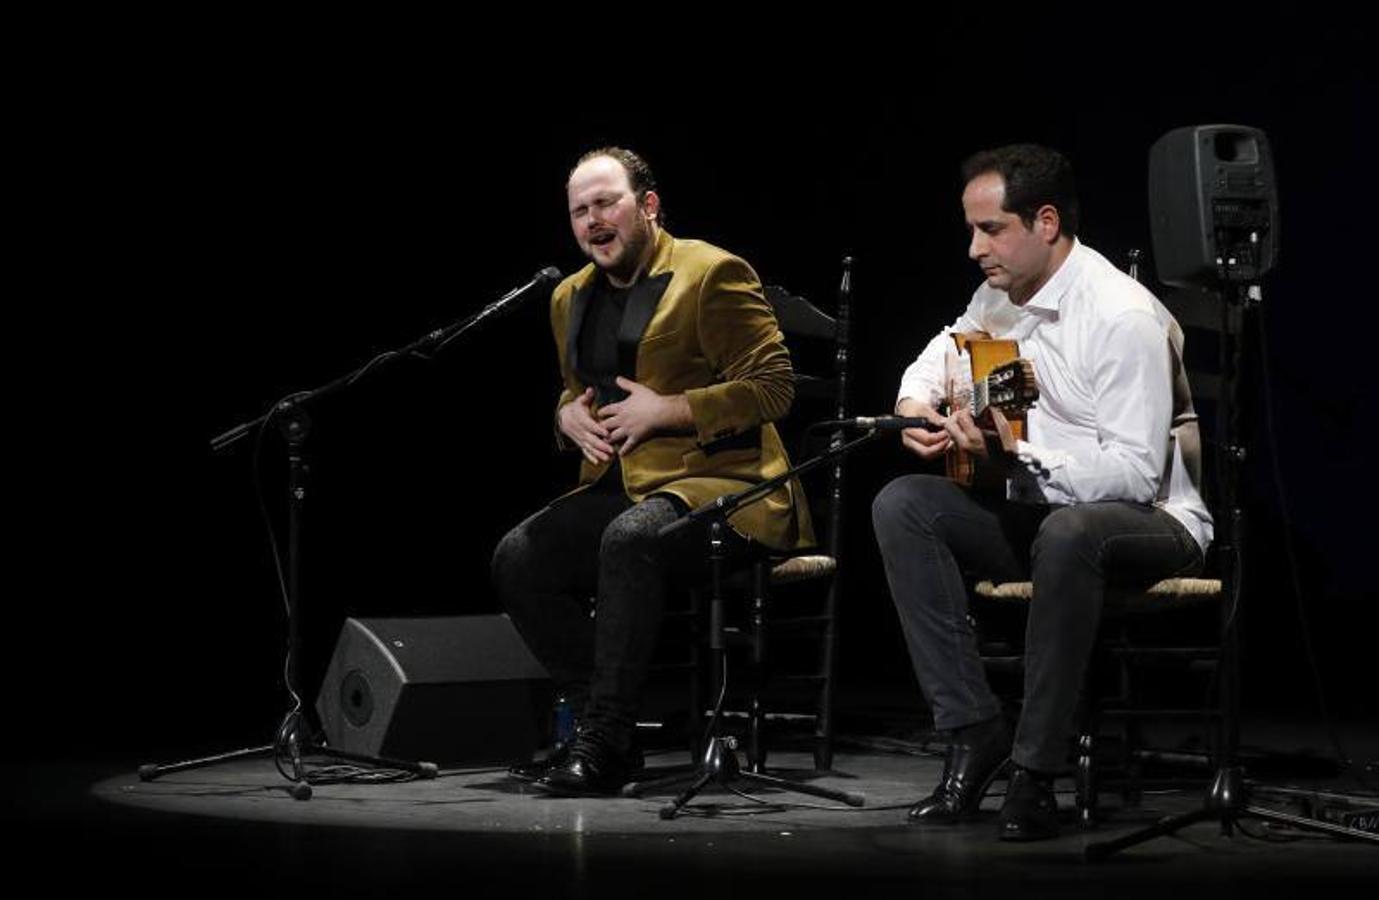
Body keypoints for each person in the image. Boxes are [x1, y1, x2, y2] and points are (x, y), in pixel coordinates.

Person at [871, 144, 1212, 840]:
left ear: (1045, 222)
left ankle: (1035, 771)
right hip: (1048, 515)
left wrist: (1017, 450)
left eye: (989, 229)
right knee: (904, 505)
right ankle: (973, 728)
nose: (974, 248)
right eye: (970, 229)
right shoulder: (1000, 293)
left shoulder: (1120, 316)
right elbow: (943, 349)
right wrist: (914, 409)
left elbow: (1134, 474)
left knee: (1069, 532)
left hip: (1150, 523)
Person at [492, 147, 812, 796]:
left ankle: (604, 740)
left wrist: (669, 410)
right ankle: (605, 730)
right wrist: (565, 419)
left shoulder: (710, 273)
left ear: (647, 206)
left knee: (632, 538)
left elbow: (775, 389)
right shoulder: (567, 297)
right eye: (579, 210)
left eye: (606, 202)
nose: (592, 220)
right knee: (518, 556)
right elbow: (574, 390)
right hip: (621, 485)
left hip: (726, 484)